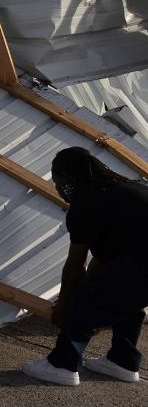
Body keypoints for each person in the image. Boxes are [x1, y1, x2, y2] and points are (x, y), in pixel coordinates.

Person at [22, 147, 148, 386]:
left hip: (141, 261)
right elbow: (102, 259)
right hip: (139, 260)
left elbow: (75, 265)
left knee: (87, 299)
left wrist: (65, 304)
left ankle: (62, 365)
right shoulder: (122, 189)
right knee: (128, 299)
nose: (57, 188)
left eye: (57, 180)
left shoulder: (87, 203)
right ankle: (123, 361)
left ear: (68, 177)